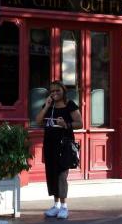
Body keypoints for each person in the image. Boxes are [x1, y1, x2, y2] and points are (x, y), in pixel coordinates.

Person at [36, 81, 83, 219]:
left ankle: (64, 207)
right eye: (52, 91)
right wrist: (47, 106)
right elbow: (38, 121)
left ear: (63, 91)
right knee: (51, 173)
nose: (55, 93)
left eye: (58, 91)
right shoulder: (49, 105)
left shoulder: (70, 105)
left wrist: (66, 124)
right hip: (49, 144)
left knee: (61, 176)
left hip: (64, 145)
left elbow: (80, 123)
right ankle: (55, 205)